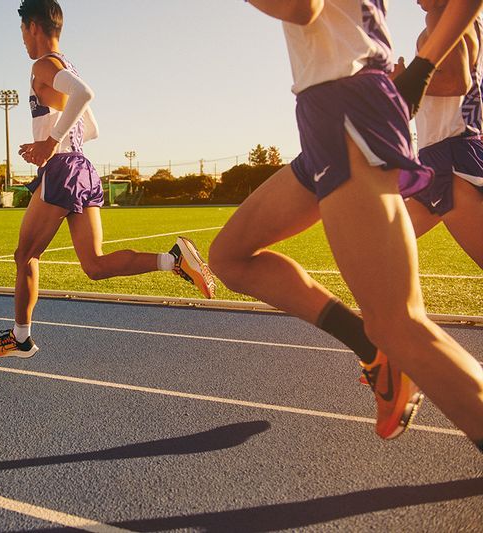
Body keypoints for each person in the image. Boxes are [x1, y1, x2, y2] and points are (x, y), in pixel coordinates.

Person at [209, 0, 483, 450]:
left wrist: (421, 70)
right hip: (327, 112)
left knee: (399, 323)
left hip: (347, 109)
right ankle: (371, 349)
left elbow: (302, 7)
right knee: (229, 257)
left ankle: (384, 346)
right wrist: (418, 72)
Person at [0, 0, 216, 359]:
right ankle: (174, 260)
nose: (22, 39)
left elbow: (84, 95)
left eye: (21, 31)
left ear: (33, 26)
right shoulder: (67, 64)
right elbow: (91, 126)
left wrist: (48, 143)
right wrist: (58, 138)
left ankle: (21, 337)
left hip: (62, 169)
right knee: (94, 265)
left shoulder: (43, 65)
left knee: (25, 255)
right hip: (82, 167)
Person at [405, 1, 483, 269]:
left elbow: (454, 82)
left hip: (450, 160)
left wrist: (398, 83)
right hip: (441, 156)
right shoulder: (470, 21)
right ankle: (397, 312)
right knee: (372, 246)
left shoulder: (440, 16)